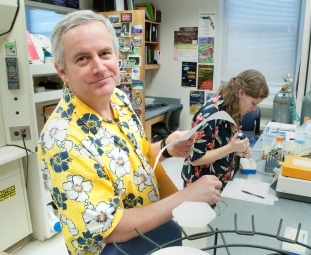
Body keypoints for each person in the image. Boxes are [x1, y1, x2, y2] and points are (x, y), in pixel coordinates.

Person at [37, 10, 222, 255]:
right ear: (62, 71)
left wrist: (166, 148)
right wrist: (187, 196)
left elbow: (131, 160)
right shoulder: (62, 141)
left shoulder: (118, 99)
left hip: (150, 227)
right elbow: (110, 229)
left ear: (116, 55)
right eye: (82, 58)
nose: (99, 67)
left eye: (104, 53)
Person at [182, 69, 269, 191]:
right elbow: (195, 159)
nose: (254, 109)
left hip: (219, 180)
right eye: (253, 103)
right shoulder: (210, 114)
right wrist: (231, 148)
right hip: (199, 185)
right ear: (241, 92)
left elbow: (222, 145)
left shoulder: (233, 108)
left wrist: (239, 150)